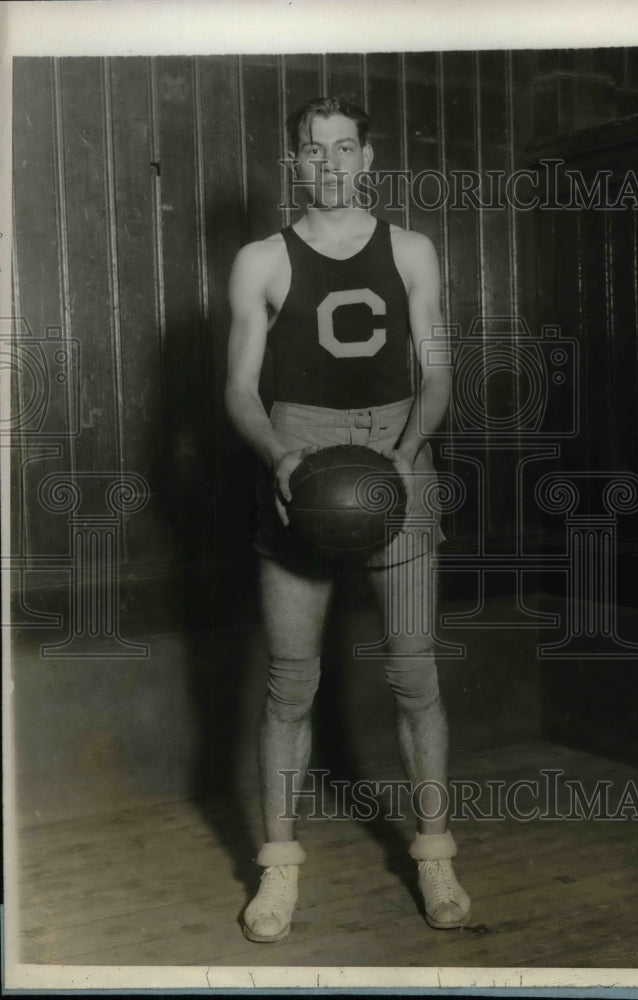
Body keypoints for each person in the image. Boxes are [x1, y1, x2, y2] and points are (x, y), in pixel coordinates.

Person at [225, 95, 470, 943]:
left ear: (368, 159)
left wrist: (406, 452)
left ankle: (434, 854)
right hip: (299, 456)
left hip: (398, 453)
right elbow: (238, 389)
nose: (327, 164)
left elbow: (437, 373)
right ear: (293, 161)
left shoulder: (411, 250)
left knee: (416, 675)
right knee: (290, 684)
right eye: (311, 149)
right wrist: (278, 456)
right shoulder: (261, 260)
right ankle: (278, 868)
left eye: (343, 149)